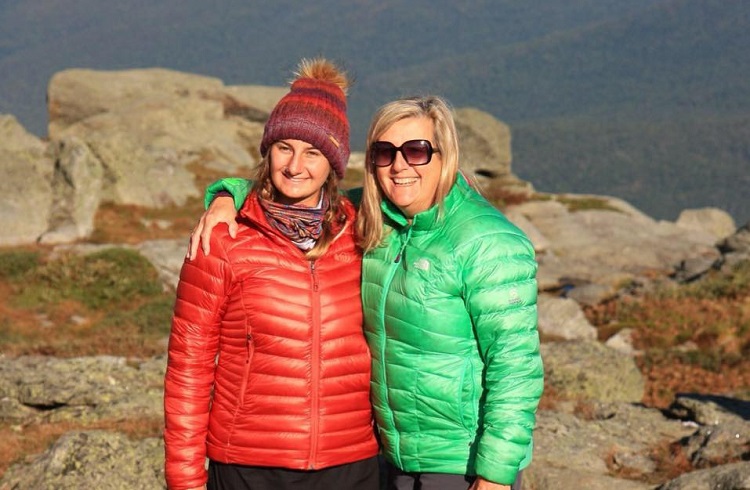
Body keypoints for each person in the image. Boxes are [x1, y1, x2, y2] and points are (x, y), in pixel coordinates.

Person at [192, 96, 543, 490]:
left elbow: (516, 367)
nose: (400, 166)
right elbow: (300, 190)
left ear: (446, 155)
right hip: (391, 457)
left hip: (459, 462)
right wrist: (230, 195)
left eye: (417, 151)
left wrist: (494, 474)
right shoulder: (378, 217)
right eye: (384, 152)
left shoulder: (486, 241)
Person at [163, 58, 380, 490]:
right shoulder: (223, 237)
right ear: (268, 150)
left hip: (352, 464)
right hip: (249, 465)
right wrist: (184, 480)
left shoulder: (362, 230)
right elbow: (188, 368)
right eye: (285, 147)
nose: (296, 165)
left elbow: (422, 195)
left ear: (334, 163)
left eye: (314, 152)